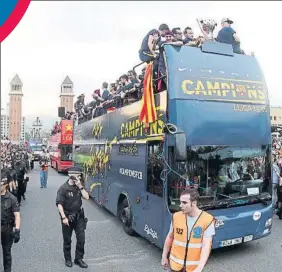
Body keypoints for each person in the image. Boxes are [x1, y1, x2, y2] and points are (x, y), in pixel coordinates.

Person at [161, 188, 215, 272]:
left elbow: (206, 245)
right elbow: (170, 237)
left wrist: (199, 267)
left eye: (184, 202)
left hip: (193, 269)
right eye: (180, 202)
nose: (180, 205)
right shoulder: (176, 217)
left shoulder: (207, 220)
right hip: (175, 266)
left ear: (194, 203)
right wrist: (164, 257)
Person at [56, 166, 90, 268]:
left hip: (79, 216)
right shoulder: (63, 188)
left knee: (81, 239)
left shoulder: (79, 186)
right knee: (67, 240)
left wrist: (80, 186)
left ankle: (78, 259)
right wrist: (63, 217)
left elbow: (87, 197)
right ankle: (68, 259)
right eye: (77, 175)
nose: (79, 177)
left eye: (80, 176)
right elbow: (59, 204)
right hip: (67, 217)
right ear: (71, 176)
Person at [1, 172, 21, 272]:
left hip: (6, 228)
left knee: (7, 252)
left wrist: (17, 230)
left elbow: (17, 215)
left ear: (5, 185)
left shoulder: (12, 199)